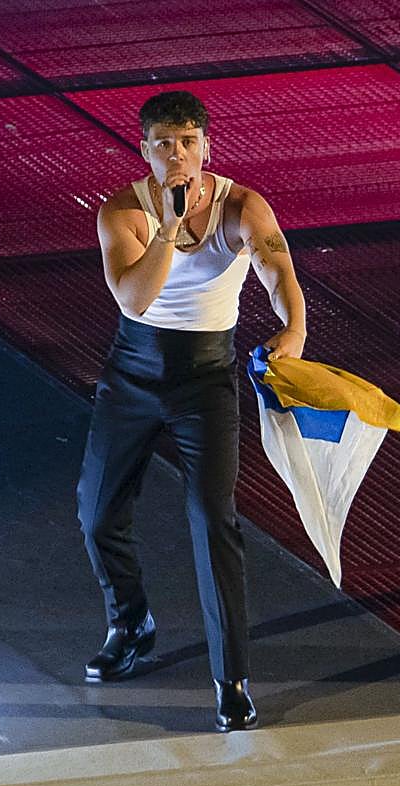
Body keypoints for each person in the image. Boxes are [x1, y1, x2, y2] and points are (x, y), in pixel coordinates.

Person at [76, 90, 306, 732]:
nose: (177, 155)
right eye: (163, 144)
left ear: (206, 146)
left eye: (187, 142)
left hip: (205, 378)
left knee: (212, 518)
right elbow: (136, 300)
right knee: (96, 515)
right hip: (134, 372)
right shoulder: (122, 211)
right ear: (144, 150)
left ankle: (230, 678)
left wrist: (293, 332)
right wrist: (171, 228)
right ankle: (132, 623)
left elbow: (279, 272)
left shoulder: (242, 204)